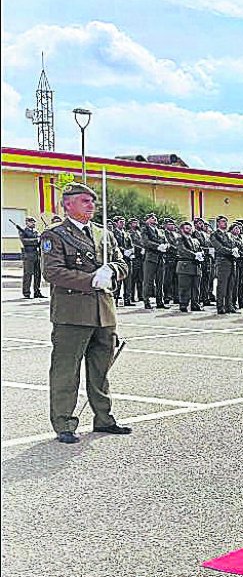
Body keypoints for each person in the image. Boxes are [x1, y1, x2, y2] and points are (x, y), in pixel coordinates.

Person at [40, 182, 131, 443]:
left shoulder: (104, 234)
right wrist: (91, 280)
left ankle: (104, 418)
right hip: (72, 314)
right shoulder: (55, 235)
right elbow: (52, 272)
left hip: (103, 312)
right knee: (66, 371)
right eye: (85, 201)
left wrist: (112, 270)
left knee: (100, 370)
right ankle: (64, 423)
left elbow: (122, 263)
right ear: (68, 205)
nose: (91, 205)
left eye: (92, 201)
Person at [172, 221, 204, 312]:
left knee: (196, 287)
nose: (189, 230)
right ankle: (183, 304)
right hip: (185, 265)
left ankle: (195, 304)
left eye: (190, 228)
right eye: (186, 228)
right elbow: (182, 250)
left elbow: (200, 249)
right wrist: (194, 255)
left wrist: (201, 254)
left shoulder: (195, 240)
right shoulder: (179, 239)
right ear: (182, 229)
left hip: (195, 266)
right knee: (184, 287)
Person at [140, 213, 170, 309]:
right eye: (152, 218)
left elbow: (166, 241)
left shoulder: (160, 231)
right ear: (147, 220)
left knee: (160, 281)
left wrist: (166, 246)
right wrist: (157, 246)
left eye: (155, 217)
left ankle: (160, 302)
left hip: (161, 258)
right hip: (151, 258)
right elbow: (145, 242)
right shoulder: (145, 229)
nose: (154, 218)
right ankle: (146, 301)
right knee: (148, 281)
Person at [209, 216, 237, 314]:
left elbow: (234, 246)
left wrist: (236, 251)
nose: (225, 223)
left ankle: (229, 305)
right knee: (222, 285)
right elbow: (219, 248)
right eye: (223, 221)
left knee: (230, 285)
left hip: (231, 261)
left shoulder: (229, 235)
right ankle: (220, 306)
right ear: (218, 223)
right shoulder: (214, 235)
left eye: (226, 221)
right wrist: (231, 251)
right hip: (222, 261)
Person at [18, 216, 46, 298]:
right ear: (27, 222)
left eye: (34, 222)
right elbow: (25, 241)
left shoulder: (36, 231)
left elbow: (39, 242)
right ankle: (26, 293)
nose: (33, 223)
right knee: (28, 274)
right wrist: (36, 240)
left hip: (36, 255)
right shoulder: (23, 231)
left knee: (38, 275)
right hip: (28, 255)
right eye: (31, 222)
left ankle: (37, 292)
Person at [124, 217, 143, 305]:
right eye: (134, 223)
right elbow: (133, 244)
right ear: (130, 224)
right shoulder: (129, 233)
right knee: (133, 278)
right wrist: (140, 248)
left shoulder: (139, 232)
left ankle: (140, 295)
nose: (136, 224)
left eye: (137, 222)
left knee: (140, 278)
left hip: (140, 257)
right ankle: (131, 296)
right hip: (134, 256)